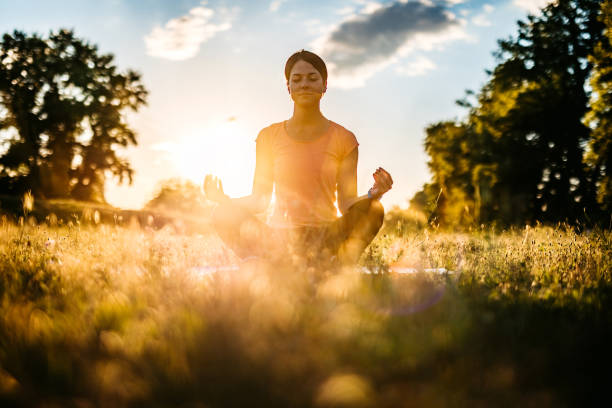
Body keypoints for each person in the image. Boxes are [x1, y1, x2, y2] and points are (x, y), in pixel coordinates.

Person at [204, 50, 393, 266]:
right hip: (278, 239)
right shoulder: (268, 137)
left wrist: (373, 194)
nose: (304, 84)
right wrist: (224, 201)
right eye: (297, 79)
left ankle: (336, 265)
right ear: (288, 88)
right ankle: (263, 262)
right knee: (222, 213)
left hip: (327, 236)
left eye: (312, 78)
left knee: (374, 210)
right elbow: (259, 200)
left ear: (324, 86)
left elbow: (346, 203)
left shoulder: (344, 139)